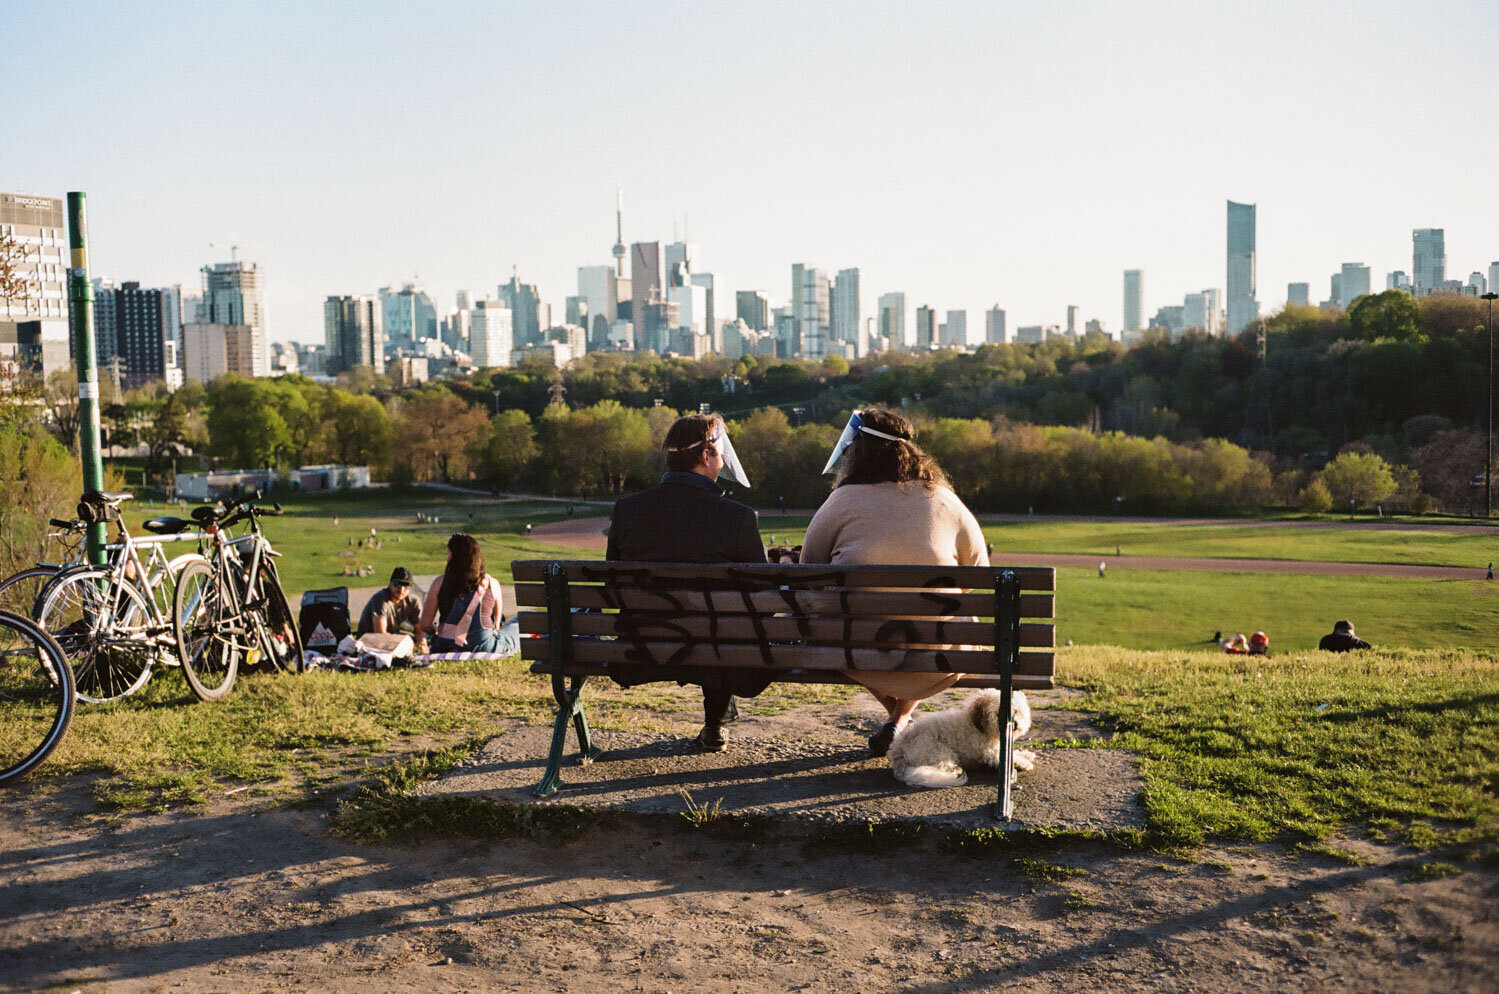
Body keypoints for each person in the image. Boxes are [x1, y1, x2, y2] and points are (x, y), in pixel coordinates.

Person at [800, 408, 989, 758]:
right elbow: (977, 572)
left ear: (857, 453)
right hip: (941, 654)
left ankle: (898, 719)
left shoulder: (840, 501)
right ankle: (900, 719)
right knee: (957, 620)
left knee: (831, 623)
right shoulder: (945, 500)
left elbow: (808, 574)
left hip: (858, 653)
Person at [607, 413, 768, 752]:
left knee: (715, 617)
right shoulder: (737, 517)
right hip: (717, 647)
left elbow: (613, 580)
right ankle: (716, 724)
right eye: (721, 452)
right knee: (722, 619)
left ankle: (715, 724)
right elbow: (759, 594)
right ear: (707, 456)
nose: (723, 460)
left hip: (640, 646)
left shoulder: (627, 509)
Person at [420, 534, 517, 655]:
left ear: (454, 558)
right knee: (518, 623)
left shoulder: (440, 583)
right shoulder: (492, 583)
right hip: (483, 646)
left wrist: (437, 631)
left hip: (445, 646)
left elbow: (424, 625)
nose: (446, 559)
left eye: (448, 554)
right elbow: (496, 626)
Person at [357, 566, 426, 651]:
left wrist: (422, 643)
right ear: (390, 584)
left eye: (406, 585)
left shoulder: (413, 602)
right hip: (367, 643)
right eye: (397, 584)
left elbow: (420, 631)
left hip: (390, 638)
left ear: (411, 587)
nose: (401, 589)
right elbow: (381, 634)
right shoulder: (380, 599)